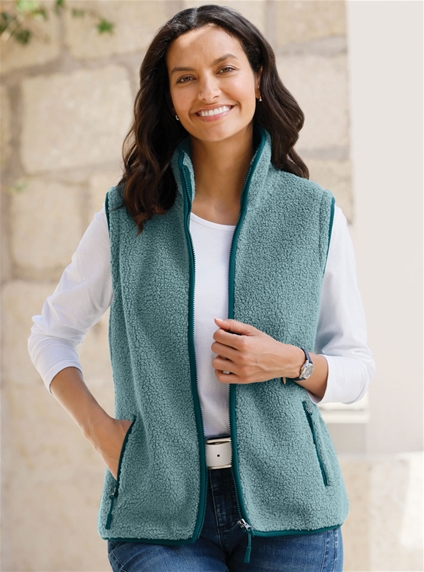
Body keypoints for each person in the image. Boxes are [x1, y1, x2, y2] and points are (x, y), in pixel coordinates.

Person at [28, 5, 375, 571]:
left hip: (292, 511)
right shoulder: (128, 217)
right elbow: (49, 335)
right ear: (168, 97)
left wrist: (290, 361)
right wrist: (103, 435)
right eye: (185, 78)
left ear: (257, 78)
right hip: (159, 513)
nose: (208, 91)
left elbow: (356, 367)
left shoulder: (314, 215)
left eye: (225, 69)